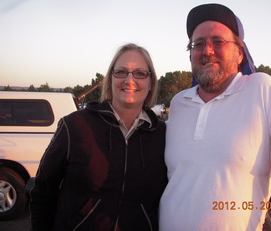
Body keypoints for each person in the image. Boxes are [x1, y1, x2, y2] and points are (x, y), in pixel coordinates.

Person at [159, 3, 271, 231]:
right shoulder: (179, 103)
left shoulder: (262, 90)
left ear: (239, 53)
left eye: (218, 41)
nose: (207, 50)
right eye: (199, 44)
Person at [30, 43, 168, 231]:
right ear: (110, 78)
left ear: (151, 82)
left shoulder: (162, 134)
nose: (129, 80)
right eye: (121, 72)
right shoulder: (75, 126)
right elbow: (43, 191)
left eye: (140, 73)